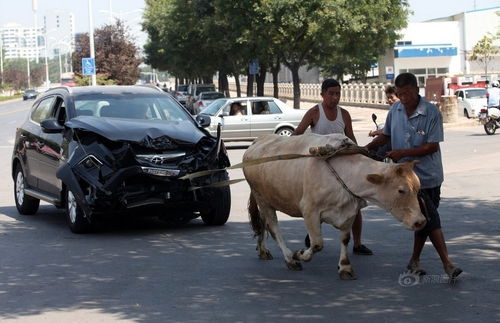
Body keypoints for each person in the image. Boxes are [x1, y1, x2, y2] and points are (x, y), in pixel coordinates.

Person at [365, 72, 462, 279]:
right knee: (430, 219)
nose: (404, 98)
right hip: (406, 182)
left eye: (407, 93)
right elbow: (386, 136)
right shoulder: (395, 110)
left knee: (424, 221)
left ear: (416, 90)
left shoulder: (431, 112)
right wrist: (366, 149)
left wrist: (403, 153)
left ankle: (414, 261)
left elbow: (432, 146)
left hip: (428, 176)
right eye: (400, 94)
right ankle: (447, 263)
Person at [293, 78, 373, 255]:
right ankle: (312, 234)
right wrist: (284, 143)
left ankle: (358, 244)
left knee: (356, 203)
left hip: (343, 165)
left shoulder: (344, 114)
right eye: (331, 93)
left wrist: (361, 156)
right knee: (317, 203)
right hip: (320, 166)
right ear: (322, 94)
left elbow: (351, 138)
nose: (335, 97)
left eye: (338, 93)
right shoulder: (314, 112)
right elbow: (298, 133)